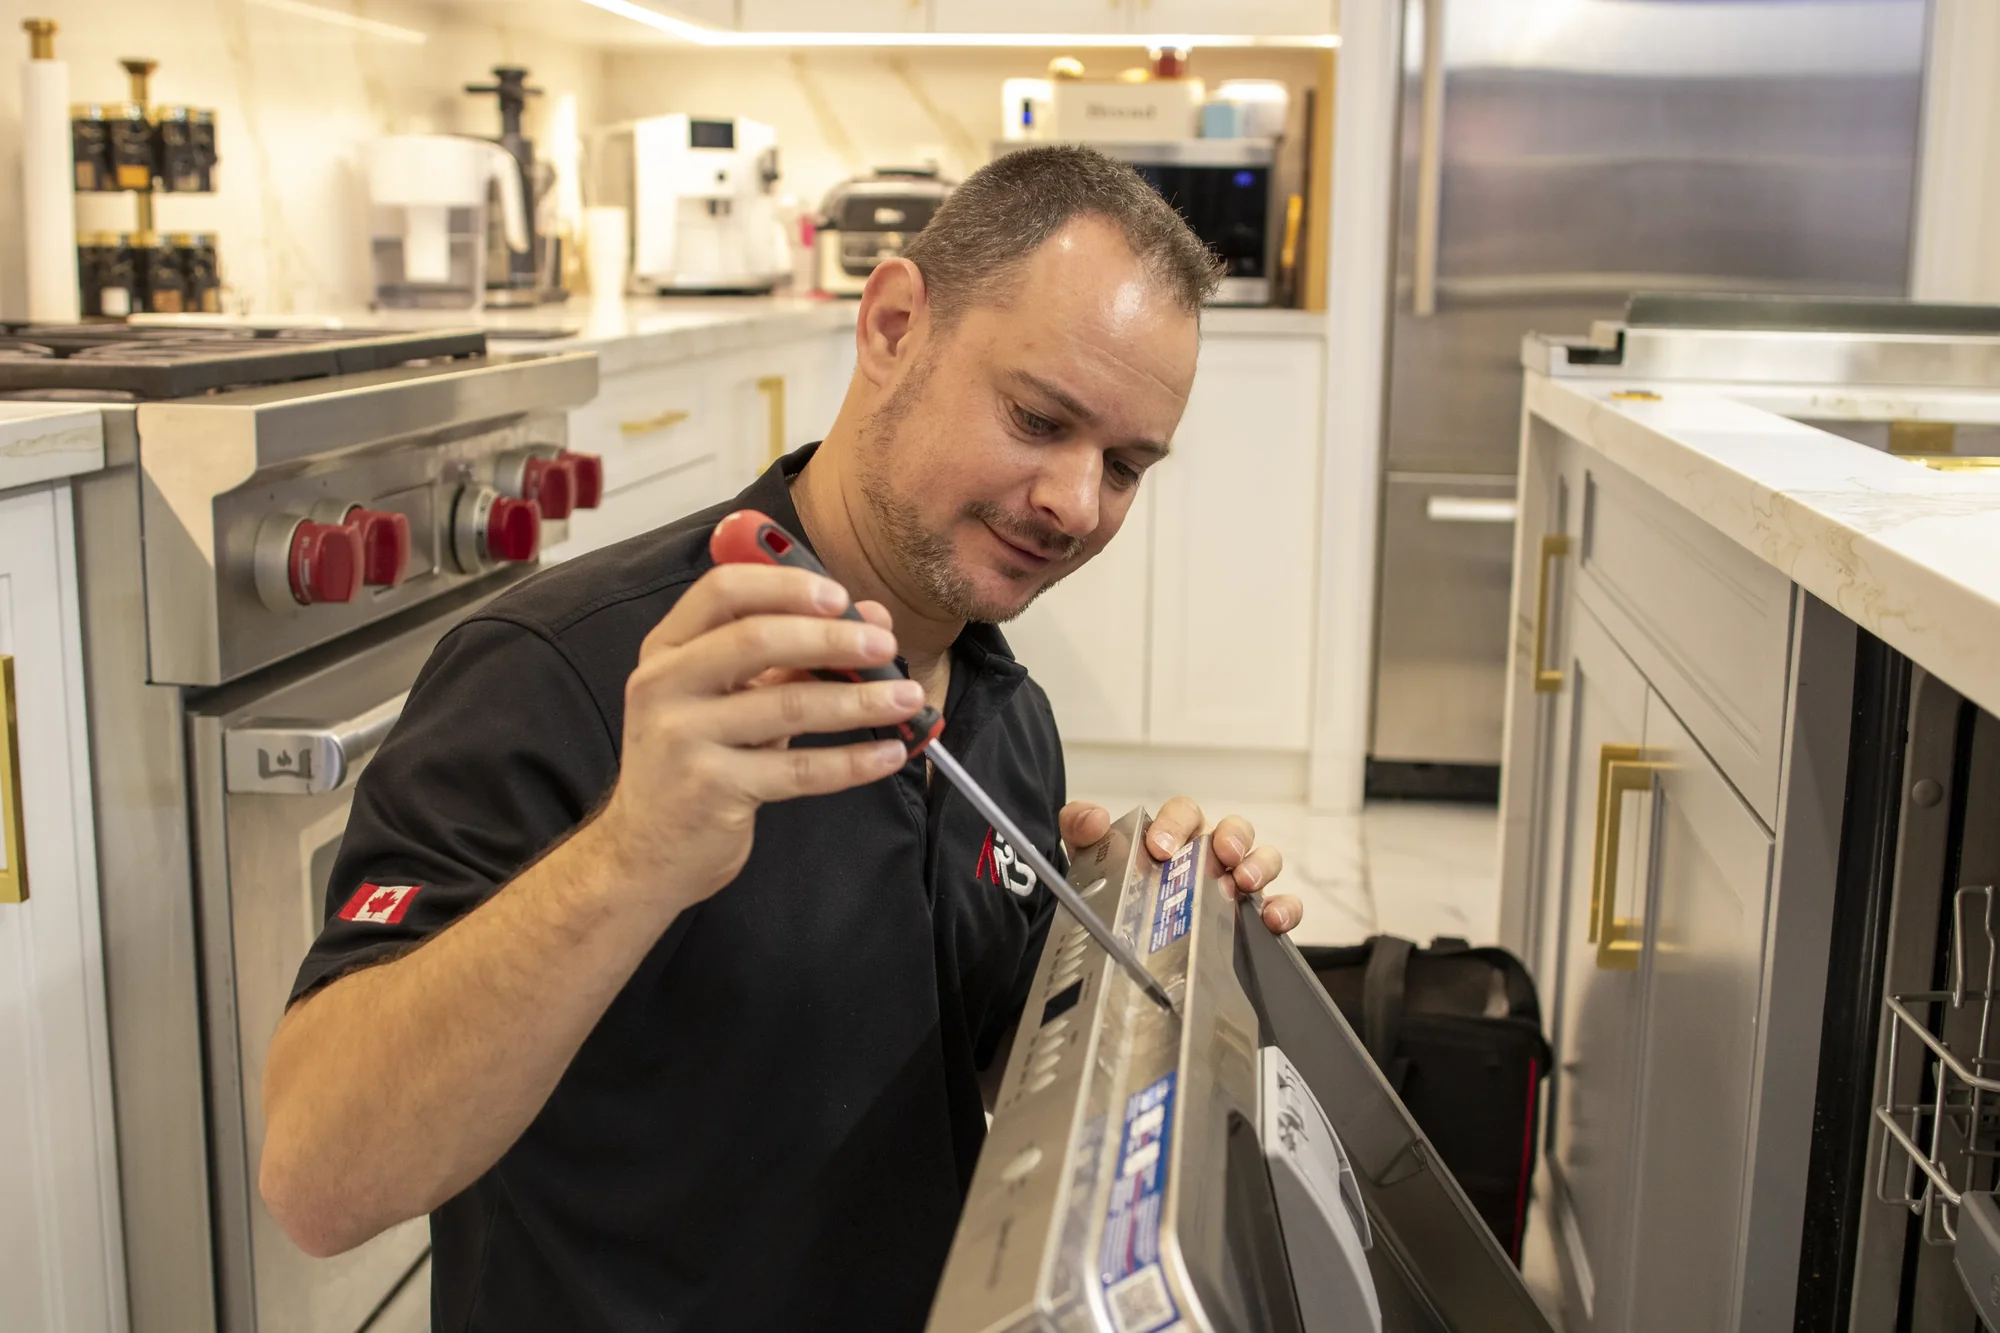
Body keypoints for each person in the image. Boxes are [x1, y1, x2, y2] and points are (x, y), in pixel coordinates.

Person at [259, 144, 1305, 1331]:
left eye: (1123, 465)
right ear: (893, 324)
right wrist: (630, 855)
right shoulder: (559, 673)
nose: (1074, 503)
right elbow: (318, 1178)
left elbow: (945, 1084)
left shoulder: (1006, 715)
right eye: (1035, 418)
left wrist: (1132, 937)